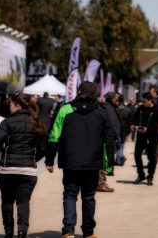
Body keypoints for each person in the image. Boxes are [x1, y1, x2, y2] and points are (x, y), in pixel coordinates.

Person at [45, 81, 115, 238]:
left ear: (78, 91)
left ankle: (68, 231)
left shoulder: (65, 109)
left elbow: (54, 136)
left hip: (70, 162)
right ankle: (88, 233)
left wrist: (49, 160)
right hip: (92, 163)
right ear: (94, 94)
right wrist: (108, 166)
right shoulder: (101, 112)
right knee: (89, 197)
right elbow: (108, 141)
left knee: (70, 195)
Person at [0, 93, 48, 238]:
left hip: (7, 170)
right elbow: (44, 147)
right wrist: (31, 159)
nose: (9, 107)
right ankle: (21, 232)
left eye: (11, 104)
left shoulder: (7, 122)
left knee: (7, 200)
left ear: (17, 105)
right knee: (23, 202)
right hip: (28, 170)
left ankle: (8, 232)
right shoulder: (37, 122)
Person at [131, 92, 158, 186]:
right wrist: (133, 125)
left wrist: (148, 129)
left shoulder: (157, 110)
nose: (143, 103)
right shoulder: (140, 108)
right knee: (137, 154)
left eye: (145, 101)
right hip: (141, 136)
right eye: (142, 101)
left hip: (152, 137)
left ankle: (150, 176)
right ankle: (141, 175)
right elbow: (135, 118)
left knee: (151, 157)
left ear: (150, 100)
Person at [96, 92, 120, 192]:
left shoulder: (108, 107)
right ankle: (101, 184)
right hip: (107, 140)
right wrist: (115, 137)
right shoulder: (108, 108)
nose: (117, 100)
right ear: (112, 99)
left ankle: (100, 183)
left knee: (105, 162)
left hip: (107, 138)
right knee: (105, 162)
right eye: (116, 98)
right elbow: (112, 124)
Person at [114, 93, 132, 166]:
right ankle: (119, 159)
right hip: (124, 129)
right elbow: (129, 122)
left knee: (117, 145)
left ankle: (120, 158)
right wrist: (129, 131)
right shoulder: (128, 110)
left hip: (117, 129)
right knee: (121, 144)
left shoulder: (115, 109)